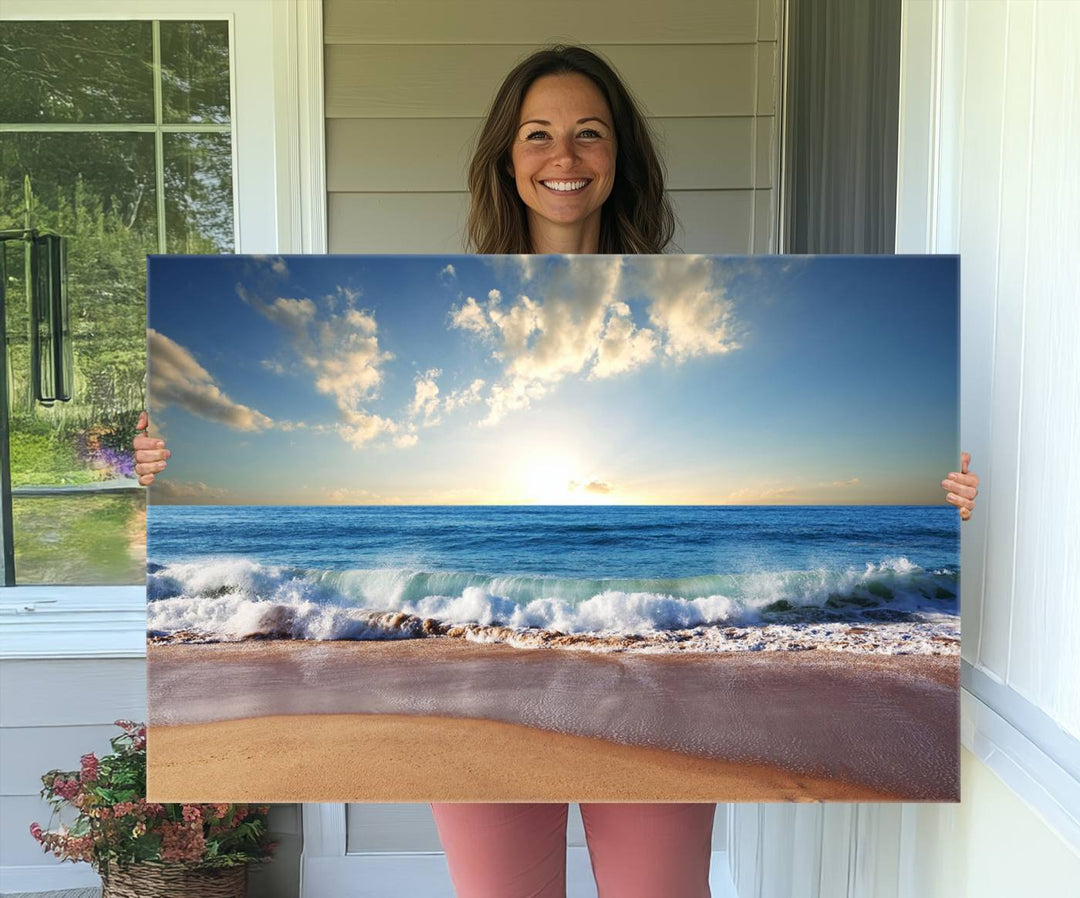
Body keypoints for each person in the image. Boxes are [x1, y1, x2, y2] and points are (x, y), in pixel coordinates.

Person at [134, 45, 979, 898]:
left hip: (653, 680)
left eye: (589, 134)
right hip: (473, 677)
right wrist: (167, 466)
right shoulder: (447, 307)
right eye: (538, 135)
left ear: (620, 158)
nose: (564, 157)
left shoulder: (685, 294)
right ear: (507, 157)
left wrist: (939, 502)